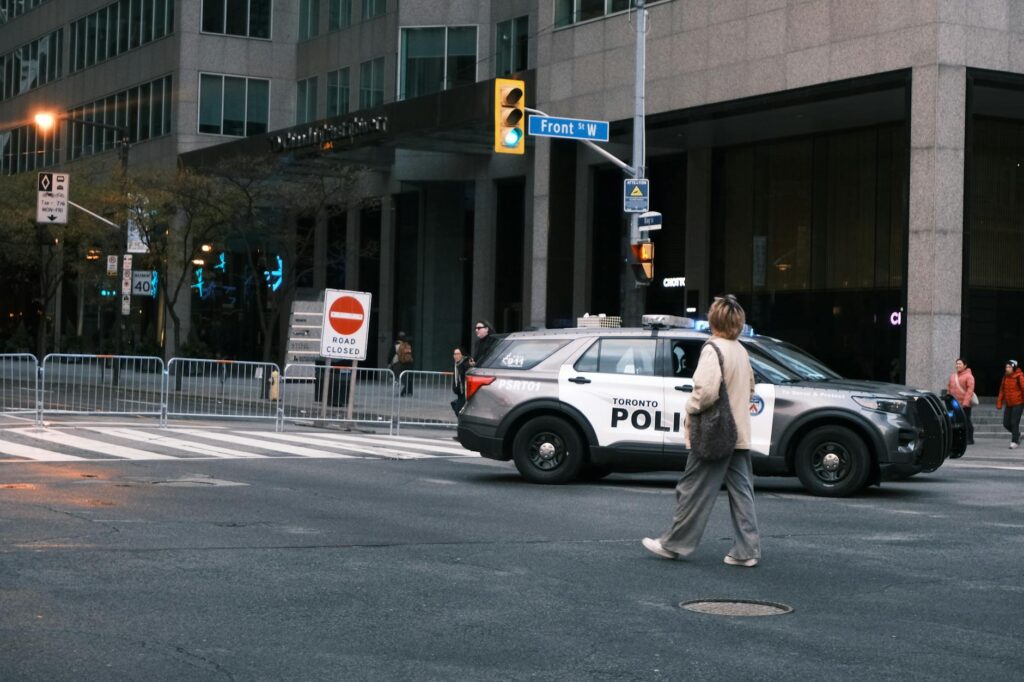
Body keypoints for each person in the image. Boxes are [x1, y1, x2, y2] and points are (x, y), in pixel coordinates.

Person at [642, 294, 760, 567]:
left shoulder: (713, 348)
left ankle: (673, 544)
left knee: (692, 489)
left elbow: (705, 392)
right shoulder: (740, 350)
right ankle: (747, 550)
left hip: (714, 435)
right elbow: (751, 388)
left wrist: (691, 407)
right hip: (739, 433)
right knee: (742, 493)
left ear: (713, 320)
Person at [947, 357, 976, 445]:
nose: (958, 365)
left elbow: (970, 390)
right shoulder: (953, 376)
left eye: (960, 364)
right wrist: (948, 399)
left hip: (964, 404)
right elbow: (949, 388)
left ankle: (969, 438)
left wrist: (965, 403)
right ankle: (957, 438)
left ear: (965, 365)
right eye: (957, 364)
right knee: (954, 421)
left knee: (966, 420)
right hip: (953, 403)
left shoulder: (969, 376)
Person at [996, 359, 1024, 449]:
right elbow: (1002, 390)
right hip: (1009, 404)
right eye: (1006, 367)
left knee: (1014, 422)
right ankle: (1018, 434)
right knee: (1006, 423)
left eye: (1009, 367)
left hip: (1018, 403)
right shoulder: (1005, 377)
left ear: (1014, 368)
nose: (1007, 369)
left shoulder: (1019, 376)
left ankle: (1014, 441)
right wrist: (999, 402)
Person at [390, 332, 414, 396]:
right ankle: (409, 392)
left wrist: (389, 363)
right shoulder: (408, 345)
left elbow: (391, 354)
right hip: (408, 363)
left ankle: (403, 392)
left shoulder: (396, 345)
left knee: (401, 378)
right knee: (409, 377)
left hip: (399, 363)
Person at [450, 347, 470, 416]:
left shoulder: (465, 364)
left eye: (458, 354)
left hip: (465, 392)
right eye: (455, 354)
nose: (456, 356)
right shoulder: (456, 364)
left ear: (462, 355)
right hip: (459, 392)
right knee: (458, 410)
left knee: (459, 410)